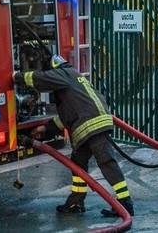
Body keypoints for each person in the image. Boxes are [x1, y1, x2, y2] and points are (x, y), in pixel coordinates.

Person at [12, 55, 134, 217]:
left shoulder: (64, 73)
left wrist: (16, 77)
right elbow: (68, 116)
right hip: (92, 123)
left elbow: (41, 78)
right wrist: (45, 128)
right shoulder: (75, 77)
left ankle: (125, 203)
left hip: (91, 125)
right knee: (77, 164)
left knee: (106, 162)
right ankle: (75, 203)